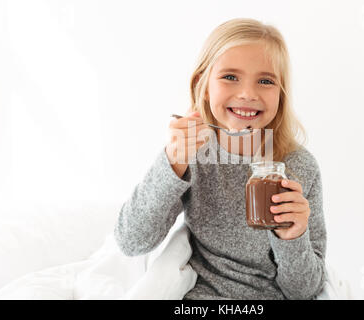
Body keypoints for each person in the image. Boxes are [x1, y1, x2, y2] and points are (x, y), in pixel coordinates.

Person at [114, 18, 327, 300]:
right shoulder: (192, 154)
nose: (248, 94)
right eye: (230, 77)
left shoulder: (300, 167)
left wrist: (292, 237)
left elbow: (304, 291)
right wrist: (172, 165)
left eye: (265, 81)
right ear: (202, 83)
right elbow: (131, 241)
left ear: (281, 94)